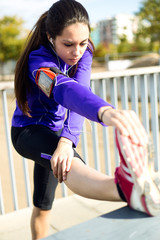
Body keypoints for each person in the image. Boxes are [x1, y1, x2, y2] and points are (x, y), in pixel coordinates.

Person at [11, 0, 160, 239]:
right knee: (70, 165)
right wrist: (104, 111)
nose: (77, 52)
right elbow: (63, 89)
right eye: (68, 44)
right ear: (51, 37)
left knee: (43, 206)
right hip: (29, 131)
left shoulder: (85, 52)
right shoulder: (38, 62)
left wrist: (66, 140)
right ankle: (126, 189)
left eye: (82, 43)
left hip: (56, 133)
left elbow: (81, 92)